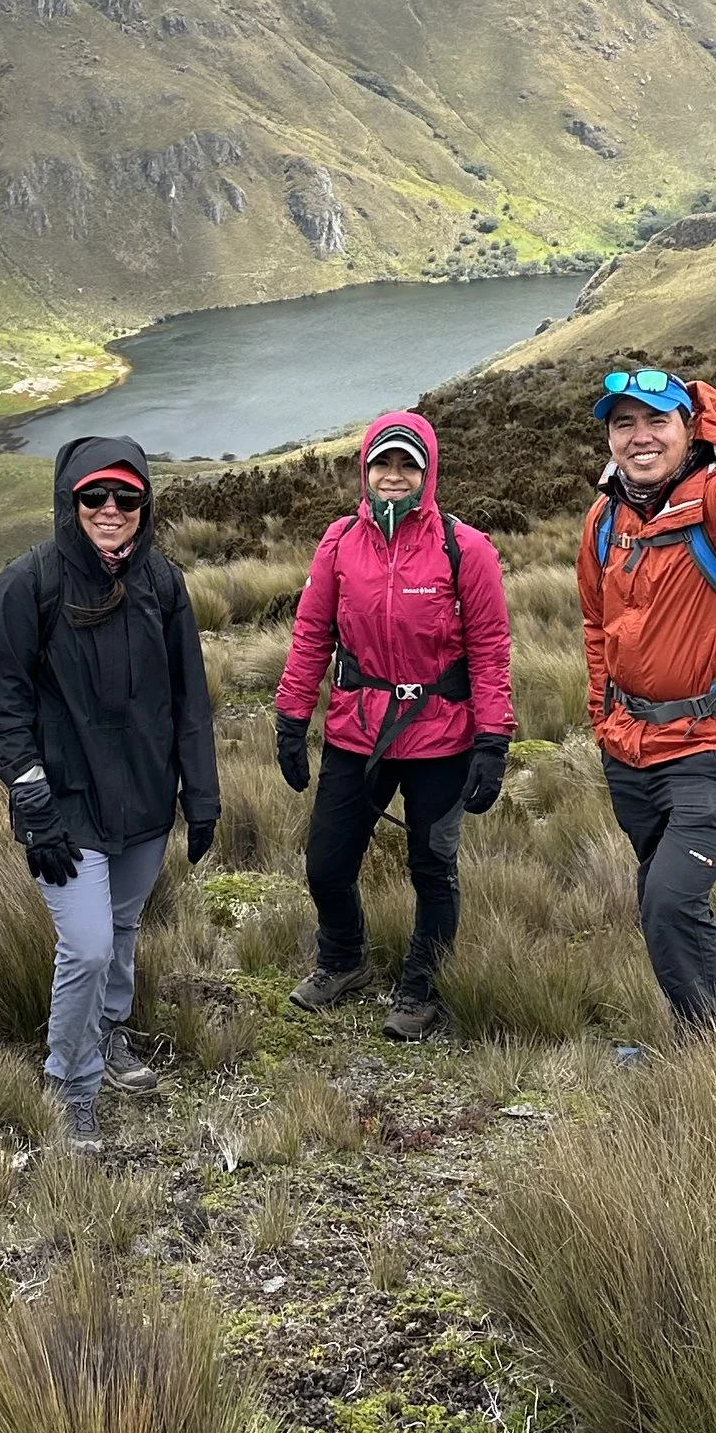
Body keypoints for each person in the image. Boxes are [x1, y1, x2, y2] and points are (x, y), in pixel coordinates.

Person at [0, 435, 219, 1148]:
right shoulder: (29, 583)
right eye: (94, 497)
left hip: (144, 800)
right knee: (85, 944)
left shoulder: (163, 585)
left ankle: (108, 1035)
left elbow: (189, 700)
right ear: (69, 500)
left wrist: (200, 795)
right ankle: (68, 1082)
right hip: (66, 804)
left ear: (145, 503)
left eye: (127, 497)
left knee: (124, 927)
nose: (111, 510)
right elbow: (0, 704)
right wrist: (31, 796)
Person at [273, 410, 514, 1039]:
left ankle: (423, 985)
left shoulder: (467, 549)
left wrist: (493, 740)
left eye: (409, 464)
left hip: (442, 736)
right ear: (366, 468)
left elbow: (490, 651)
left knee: (432, 868)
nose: (395, 476)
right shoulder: (338, 544)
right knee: (327, 864)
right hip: (358, 732)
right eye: (384, 462)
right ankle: (343, 959)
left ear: (428, 472)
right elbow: (310, 637)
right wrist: (291, 717)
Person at [578, 365, 716, 1037]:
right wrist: (604, 720)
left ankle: (712, 1050)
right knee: (658, 894)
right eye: (623, 422)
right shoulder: (604, 519)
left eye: (655, 420)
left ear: (689, 428)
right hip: (633, 748)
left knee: (669, 897)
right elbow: (594, 623)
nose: (639, 437)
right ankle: (699, 1023)